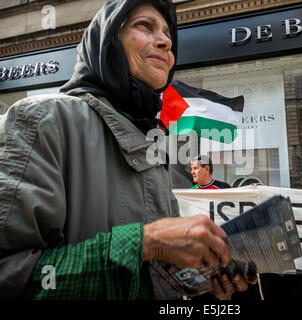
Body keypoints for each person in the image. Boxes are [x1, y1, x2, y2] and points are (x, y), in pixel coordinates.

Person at [0, 0, 256, 300]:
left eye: (168, 37)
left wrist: (201, 276)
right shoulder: (45, 119)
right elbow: (9, 275)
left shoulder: (154, 143)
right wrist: (143, 244)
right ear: (107, 41)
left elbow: (156, 275)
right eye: (144, 26)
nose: (164, 42)